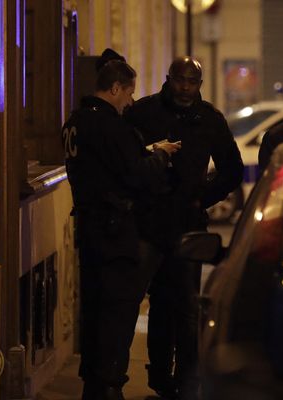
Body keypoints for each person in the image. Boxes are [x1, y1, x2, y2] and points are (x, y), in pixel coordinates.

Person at [62, 50, 180, 400]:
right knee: (116, 313)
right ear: (115, 88)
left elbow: (105, 166)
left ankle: (93, 384)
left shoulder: (75, 121)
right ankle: (109, 384)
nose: (130, 100)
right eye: (128, 92)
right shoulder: (111, 125)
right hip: (115, 232)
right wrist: (159, 156)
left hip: (89, 228)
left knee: (94, 309)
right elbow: (135, 174)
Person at [126, 56, 244, 400]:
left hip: (188, 226)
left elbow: (232, 169)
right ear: (169, 79)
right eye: (180, 80)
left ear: (200, 84)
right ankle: (160, 376)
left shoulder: (209, 119)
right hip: (148, 223)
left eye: (192, 82)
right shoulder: (144, 113)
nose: (185, 88)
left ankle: (188, 381)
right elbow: (125, 160)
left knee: (187, 307)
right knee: (154, 303)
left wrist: (201, 197)